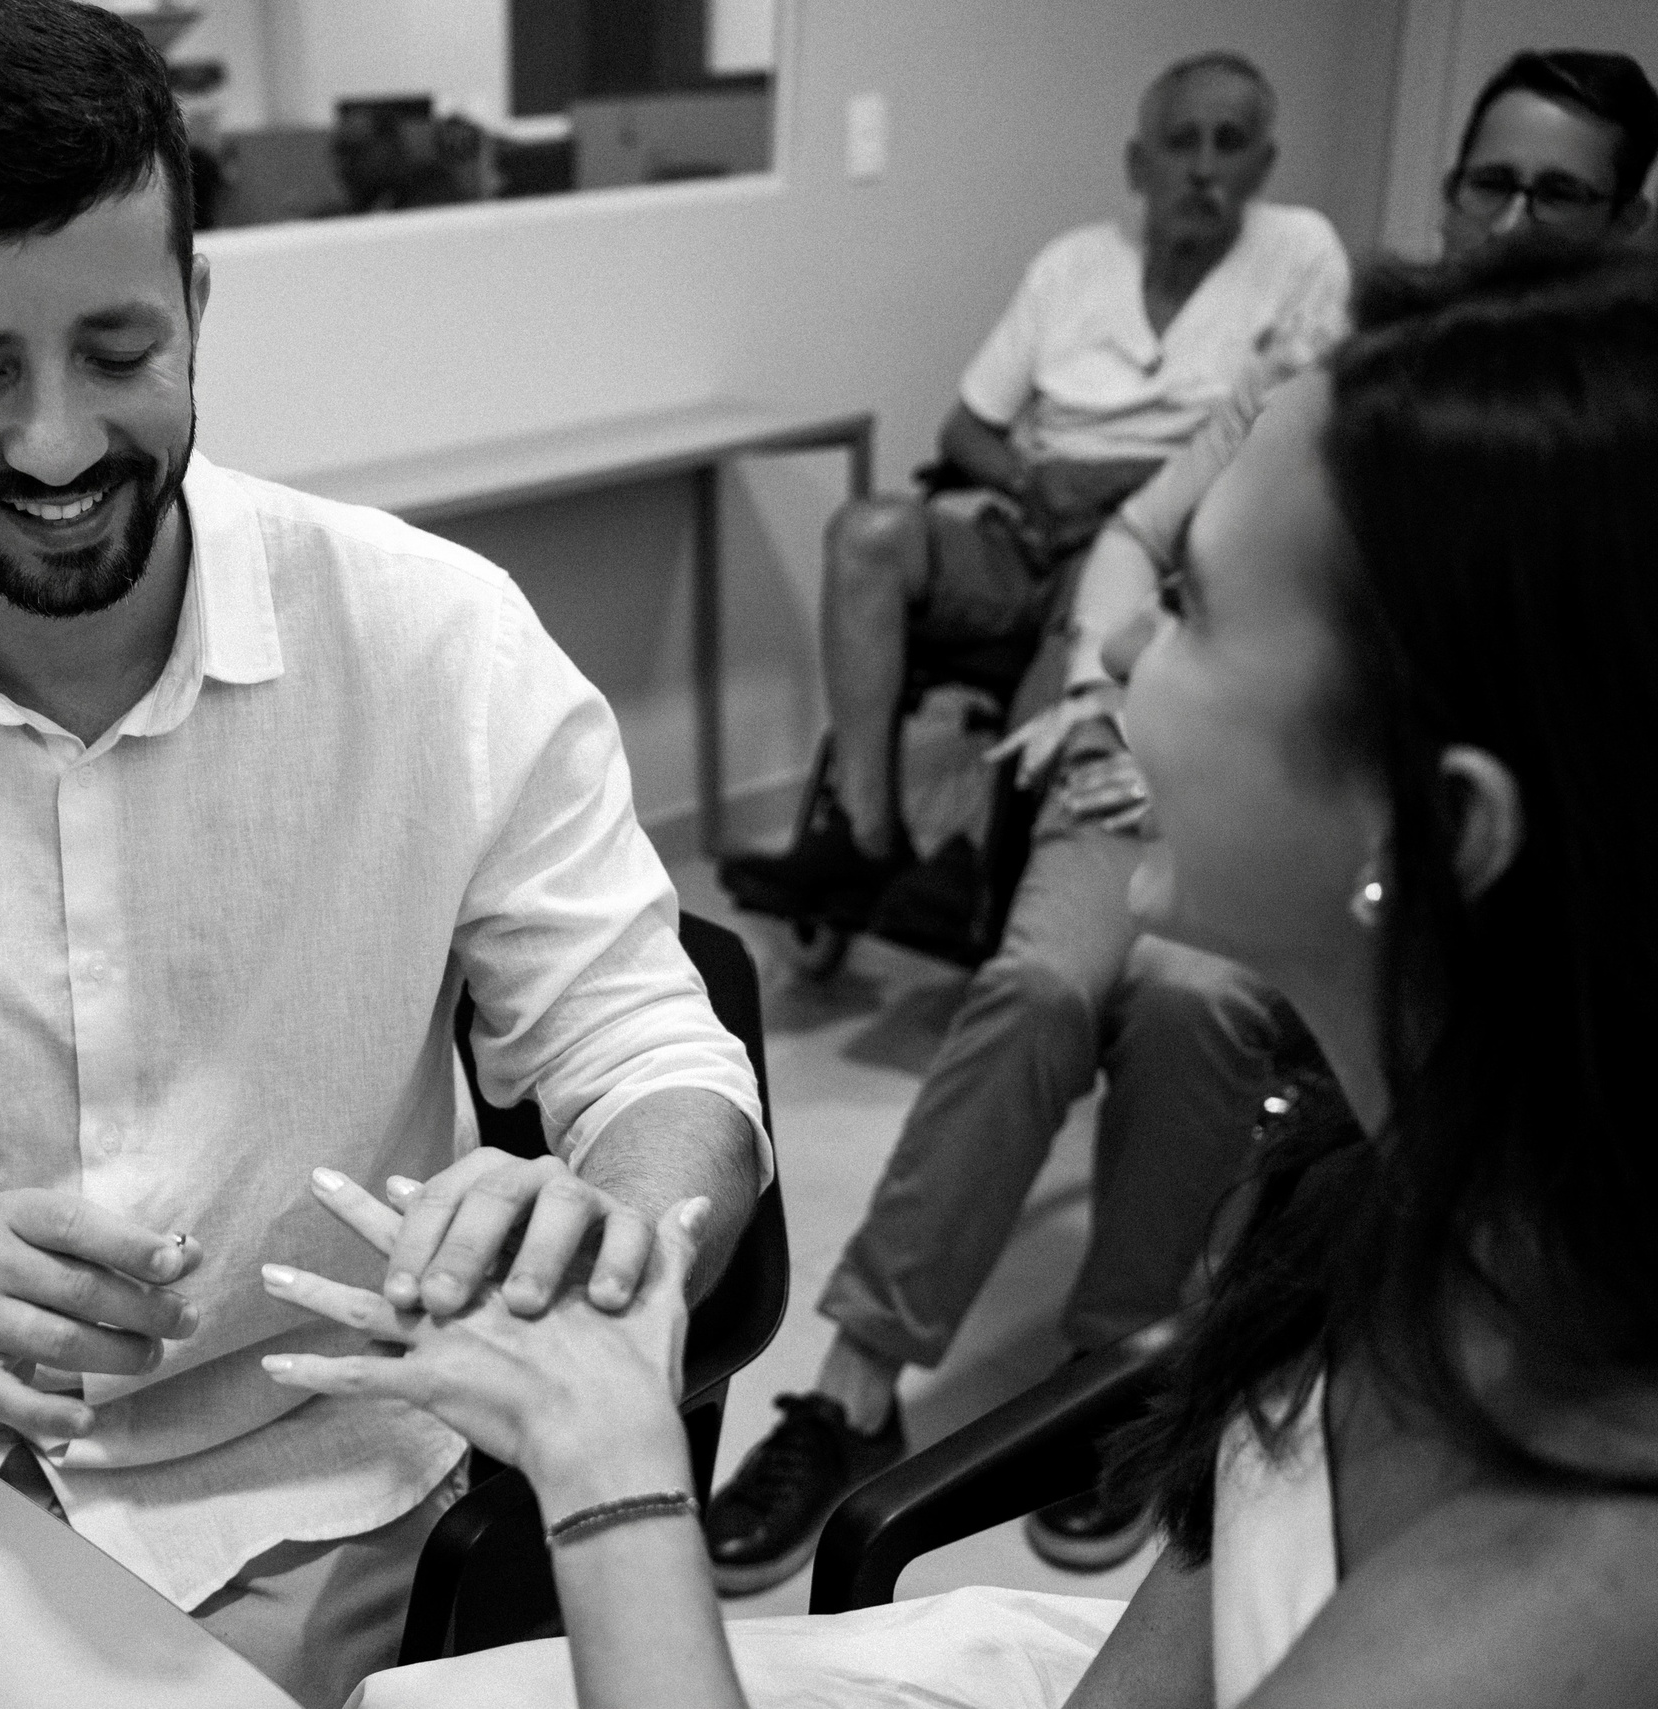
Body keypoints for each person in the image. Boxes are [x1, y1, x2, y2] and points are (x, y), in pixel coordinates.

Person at [274, 238, 1658, 1709]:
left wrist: (613, 1471)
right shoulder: (1395, 1190)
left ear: (1439, 822)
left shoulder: (1563, 1584)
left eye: (1189, 607)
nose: (1113, 645)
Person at [0, 5, 765, 1705]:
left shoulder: (438, 641)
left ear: (200, 306)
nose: (60, 445)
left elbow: (658, 1059)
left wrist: (617, 1220)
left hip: (338, 1488)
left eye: (121, 351)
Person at [700, 42, 1658, 1594]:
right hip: (1209, 831)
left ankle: (1117, 1371)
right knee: (1038, 985)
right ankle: (856, 1386)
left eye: (1563, 192)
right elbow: (1134, 551)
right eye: (1493, 180)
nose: (1516, 216)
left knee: (1199, 1002)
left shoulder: (1559, 1452)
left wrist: (613, 1500)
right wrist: (1110, 689)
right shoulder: (1317, 402)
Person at [721, 51, 1347, 931]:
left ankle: (979, 860)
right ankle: (865, 833)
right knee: (865, 531)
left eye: (1229, 143)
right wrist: (1029, 479)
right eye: (1181, 143)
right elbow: (964, 428)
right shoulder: (1073, 266)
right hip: (1030, 521)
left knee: (1096, 590)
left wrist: (1122, 488)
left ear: (1263, 164)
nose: (1203, 168)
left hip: (1159, 544)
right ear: (1139, 163)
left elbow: (1287, 436)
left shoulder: (1300, 255)